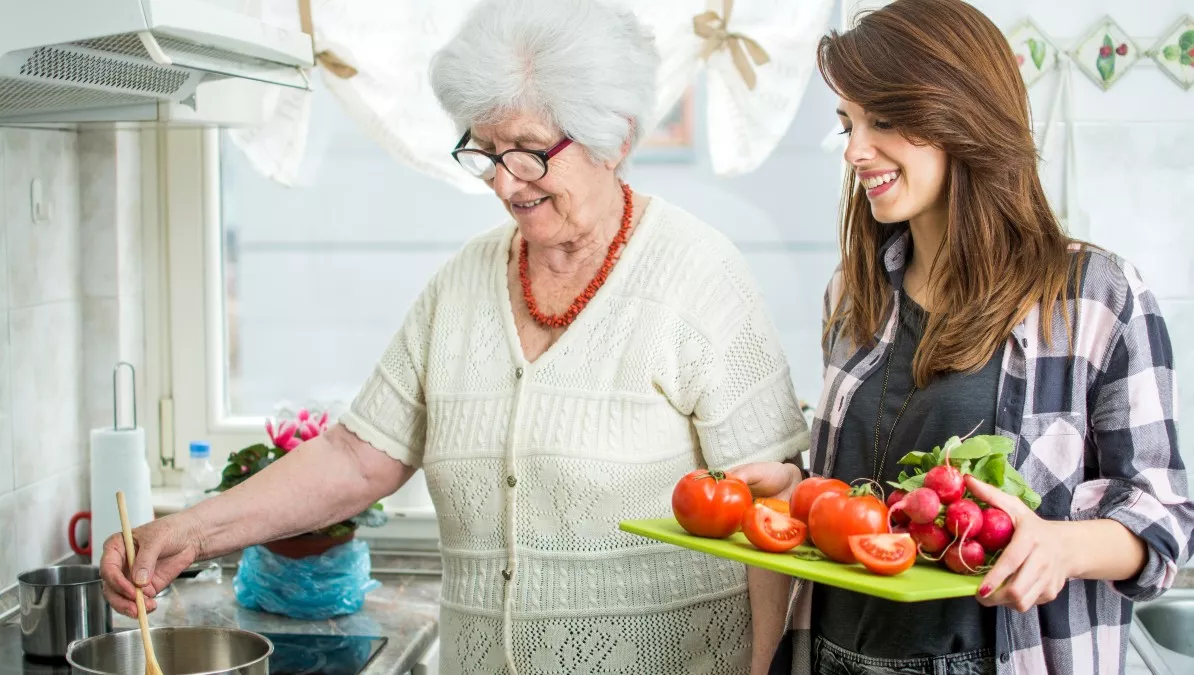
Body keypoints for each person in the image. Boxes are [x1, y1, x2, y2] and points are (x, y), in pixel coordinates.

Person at [99, 0, 810, 673]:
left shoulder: (698, 275)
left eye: (529, 152)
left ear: (614, 137)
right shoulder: (463, 284)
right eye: (486, 151)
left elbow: (772, 510)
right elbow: (356, 456)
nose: (505, 184)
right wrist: (189, 530)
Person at [731, 1, 1194, 674]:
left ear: (963, 115)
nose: (857, 149)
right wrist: (803, 490)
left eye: (883, 120)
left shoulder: (1094, 295)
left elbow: (1165, 520)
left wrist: (1060, 547)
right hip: (830, 653)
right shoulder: (855, 292)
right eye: (849, 124)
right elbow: (893, 510)